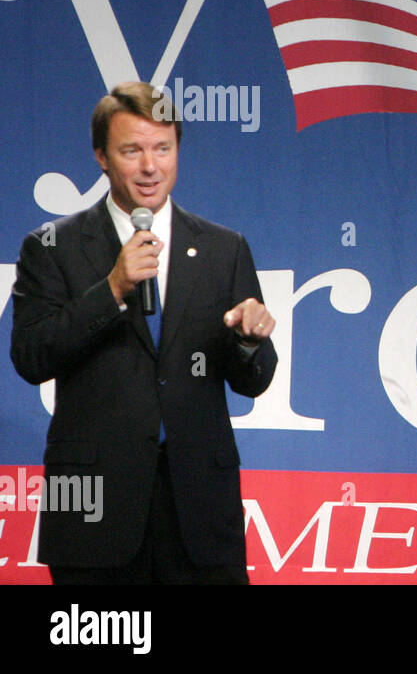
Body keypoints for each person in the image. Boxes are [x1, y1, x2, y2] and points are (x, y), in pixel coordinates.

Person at [9, 82, 277, 584]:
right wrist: (110, 289)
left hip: (199, 512)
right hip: (93, 510)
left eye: (163, 148)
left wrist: (249, 341)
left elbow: (253, 381)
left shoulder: (224, 249)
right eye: (131, 150)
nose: (150, 166)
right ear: (101, 157)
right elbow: (30, 357)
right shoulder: (51, 247)